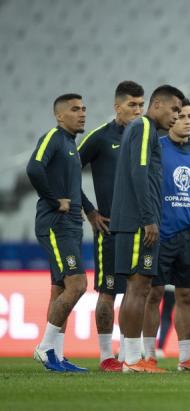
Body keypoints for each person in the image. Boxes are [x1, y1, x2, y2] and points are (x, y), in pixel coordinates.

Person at [111, 85, 184, 373]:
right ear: (157, 105)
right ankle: (130, 359)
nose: (177, 116)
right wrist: (147, 218)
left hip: (137, 220)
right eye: (174, 109)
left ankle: (131, 358)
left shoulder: (145, 130)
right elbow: (139, 171)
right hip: (137, 223)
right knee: (137, 287)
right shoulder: (143, 127)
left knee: (138, 288)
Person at [78, 81, 145, 372]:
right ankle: (106, 355)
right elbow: (68, 172)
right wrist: (90, 211)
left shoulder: (148, 136)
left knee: (141, 291)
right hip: (111, 230)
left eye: (141, 105)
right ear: (117, 107)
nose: (138, 110)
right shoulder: (100, 138)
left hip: (143, 229)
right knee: (108, 292)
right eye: (132, 105)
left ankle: (133, 352)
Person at [140, 99, 190, 371]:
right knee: (153, 293)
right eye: (181, 116)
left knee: (186, 296)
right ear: (171, 119)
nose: (187, 121)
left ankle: (185, 358)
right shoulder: (157, 148)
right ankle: (148, 355)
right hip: (160, 232)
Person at [29, 93, 88, 372]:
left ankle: (57, 356)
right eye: (75, 109)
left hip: (71, 225)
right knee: (77, 285)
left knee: (61, 289)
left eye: (83, 109)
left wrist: (89, 210)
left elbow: (74, 186)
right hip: (56, 224)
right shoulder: (53, 137)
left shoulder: (71, 146)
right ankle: (44, 347)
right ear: (59, 115)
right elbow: (34, 168)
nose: (82, 113)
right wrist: (54, 199)